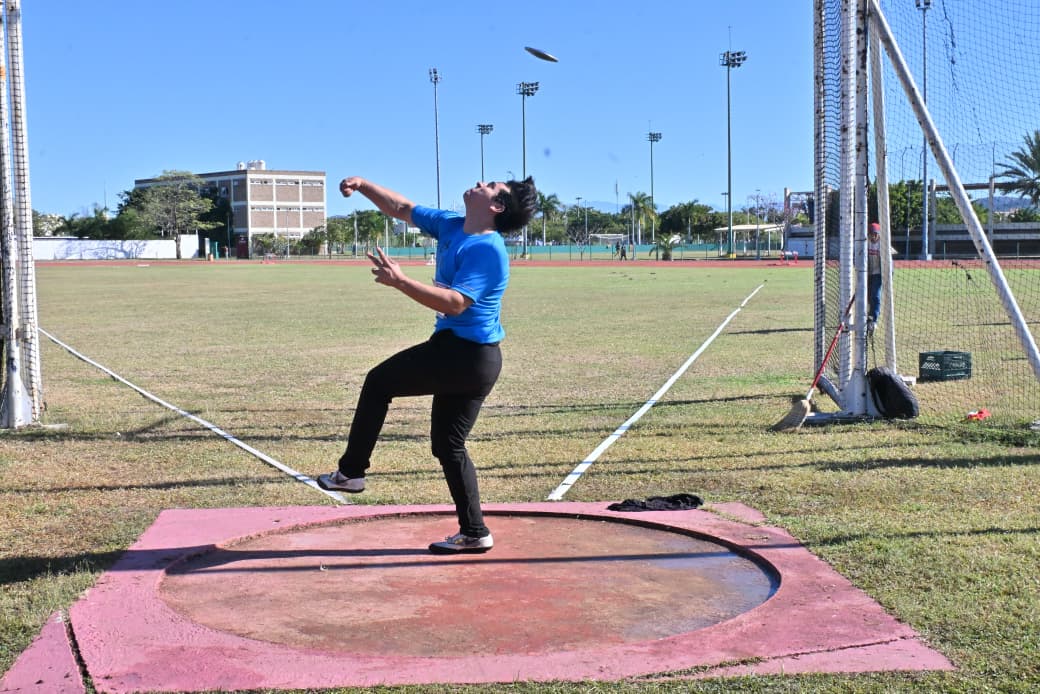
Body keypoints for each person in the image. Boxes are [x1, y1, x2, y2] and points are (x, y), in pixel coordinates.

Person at [318, 175, 538, 554]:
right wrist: (363, 185)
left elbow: (455, 303)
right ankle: (474, 532)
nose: (479, 182)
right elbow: (402, 208)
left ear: (497, 206)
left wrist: (401, 282)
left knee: (378, 383)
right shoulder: (451, 224)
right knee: (448, 446)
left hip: (465, 356)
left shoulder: (487, 249)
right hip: (470, 358)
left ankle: (351, 473)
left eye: (490, 185)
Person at [867, 222, 883, 336]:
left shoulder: (882, 245)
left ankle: (875, 320)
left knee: (875, 296)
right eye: (871, 234)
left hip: (878, 273)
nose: (873, 236)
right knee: (868, 297)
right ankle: (870, 317)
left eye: (875, 234)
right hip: (868, 273)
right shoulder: (866, 243)